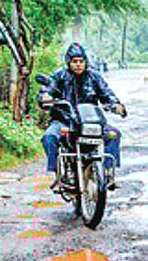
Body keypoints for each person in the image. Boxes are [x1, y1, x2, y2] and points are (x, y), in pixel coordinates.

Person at [40, 43, 126, 190]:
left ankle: (107, 174)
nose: (78, 64)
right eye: (75, 61)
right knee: (49, 137)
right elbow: (47, 89)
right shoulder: (59, 76)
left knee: (114, 134)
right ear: (69, 62)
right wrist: (45, 96)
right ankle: (57, 176)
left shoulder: (94, 77)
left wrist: (116, 105)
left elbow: (107, 93)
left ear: (86, 61)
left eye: (81, 61)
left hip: (90, 122)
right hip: (64, 121)